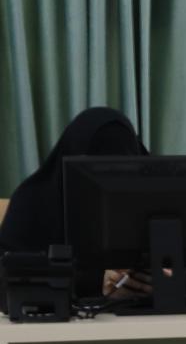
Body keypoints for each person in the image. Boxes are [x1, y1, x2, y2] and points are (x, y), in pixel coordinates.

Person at [0, 106, 152, 299]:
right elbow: (6, 278)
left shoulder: (154, 199)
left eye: (123, 170)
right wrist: (94, 283)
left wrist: (163, 281)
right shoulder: (33, 203)